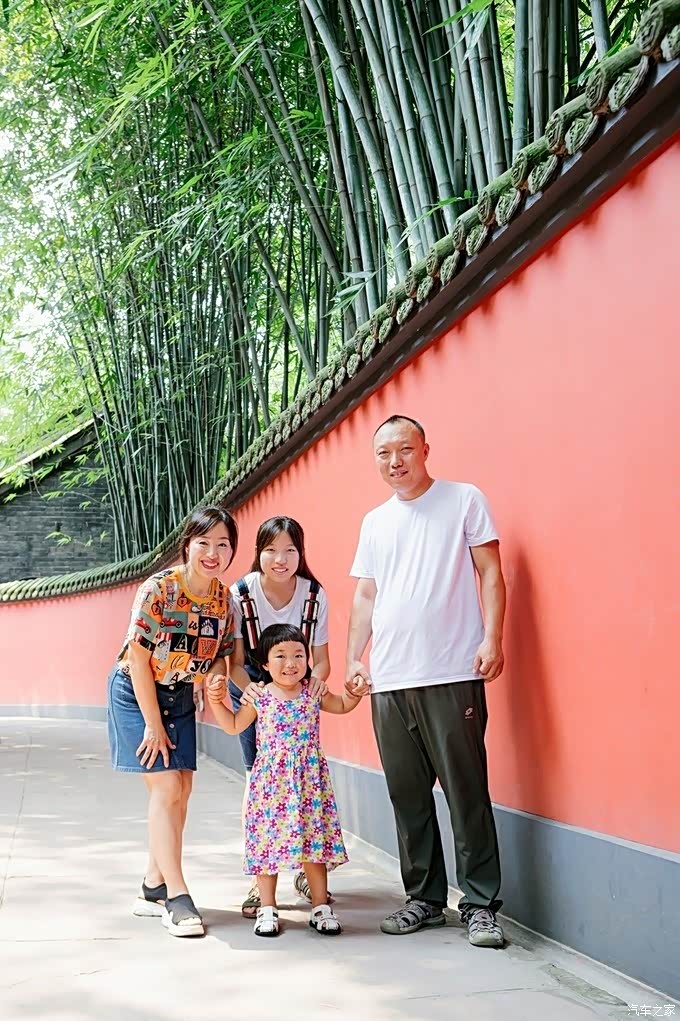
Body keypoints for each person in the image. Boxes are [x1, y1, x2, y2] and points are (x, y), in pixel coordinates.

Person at [346, 415, 506, 948]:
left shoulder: (463, 499)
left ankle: (480, 904)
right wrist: (353, 658)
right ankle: (425, 899)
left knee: (467, 792)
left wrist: (492, 637)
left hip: (452, 671)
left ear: (424, 450)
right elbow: (366, 595)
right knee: (407, 796)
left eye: (405, 450)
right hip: (390, 680)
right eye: (384, 453)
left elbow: (490, 572)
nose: (395, 462)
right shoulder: (374, 522)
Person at [107, 504, 238, 938]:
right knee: (166, 786)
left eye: (223, 544)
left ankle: (152, 886)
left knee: (182, 791)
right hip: (137, 691)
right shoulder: (159, 589)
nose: (213, 553)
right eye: (204, 543)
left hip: (180, 694)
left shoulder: (224, 599)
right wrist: (152, 724)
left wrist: (215, 679)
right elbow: (138, 660)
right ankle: (177, 896)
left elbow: (221, 656)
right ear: (187, 545)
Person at [208, 624, 361, 937]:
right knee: (268, 845)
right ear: (265, 663)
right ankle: (267, 907)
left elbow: (343, 705)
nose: (290, 663)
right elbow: (234, 725)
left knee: (313, 845)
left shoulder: (313, 693)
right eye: (280, 655)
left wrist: (354, 693)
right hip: (271, 787)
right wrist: (215, 701)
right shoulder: (260, 697)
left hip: (309, 785)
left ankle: (320, 906)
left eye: (298, 655)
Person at [225, 516, 331, 917]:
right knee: (258, 779)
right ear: (258, 553)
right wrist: (250, 690)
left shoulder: (314, 595)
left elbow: (321, 659)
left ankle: (307, 869)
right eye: (271, 550)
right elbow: (236, 662)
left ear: (301, 553)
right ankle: (260, 877)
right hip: (253, 685)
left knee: (304, 782)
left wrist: (314, 684)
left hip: (298, 688)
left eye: (290, 550)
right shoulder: (241, 593)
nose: (280, 559)